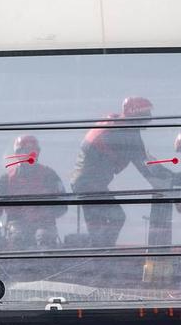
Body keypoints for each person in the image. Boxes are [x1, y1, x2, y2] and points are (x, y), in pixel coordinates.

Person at [70, 97, 172, 247]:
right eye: (146, 115)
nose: (149, 119)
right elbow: (144, 165)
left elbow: (143, 161)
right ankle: (102, 253)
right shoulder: (127, 134)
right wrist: (167, 178)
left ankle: (100, 252)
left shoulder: (117, 126)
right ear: (136, 115)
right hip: (90, 185)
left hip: (85, 183)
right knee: (116, 217)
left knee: (100, 224)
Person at [0, 135, 67, 251]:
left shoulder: (49, 176)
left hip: (44, 224)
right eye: (25, 151)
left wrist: (44, 213)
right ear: (17, 153)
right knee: (18, 238)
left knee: (45, 238)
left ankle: (47, 267)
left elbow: (62, 206)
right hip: (17, 224)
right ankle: (18, 268)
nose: (30, 155)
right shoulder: (7, 179)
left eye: (33, 151)